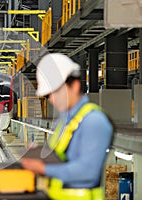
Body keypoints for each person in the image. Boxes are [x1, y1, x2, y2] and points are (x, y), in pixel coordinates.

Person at [21, 53, 113, 200]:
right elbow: (60, 156)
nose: (51, 99)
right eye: (49, 95)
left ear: (74, 86)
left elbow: (88, 172)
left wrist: (43, 168)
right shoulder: (64, 120)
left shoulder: (94, 121)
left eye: (55, 92)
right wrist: (39, 153)